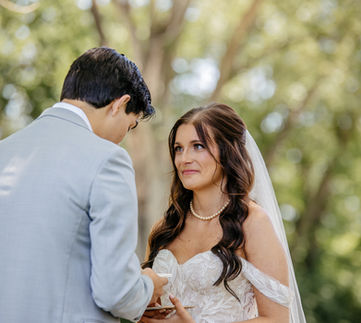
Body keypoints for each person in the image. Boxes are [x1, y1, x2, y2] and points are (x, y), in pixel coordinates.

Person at [0, 47, 168, 323]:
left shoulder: (5, 150)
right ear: (119, 104)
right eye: (131, 125)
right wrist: (148, 285)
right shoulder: (108, 160)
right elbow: (116, 292)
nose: (124, 137)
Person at [141, 103, 306, 322]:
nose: (184, 159)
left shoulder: (252, 223)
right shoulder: (164, 227)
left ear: (228, 151)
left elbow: (277, 319)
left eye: (198, 146)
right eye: (178, 148)